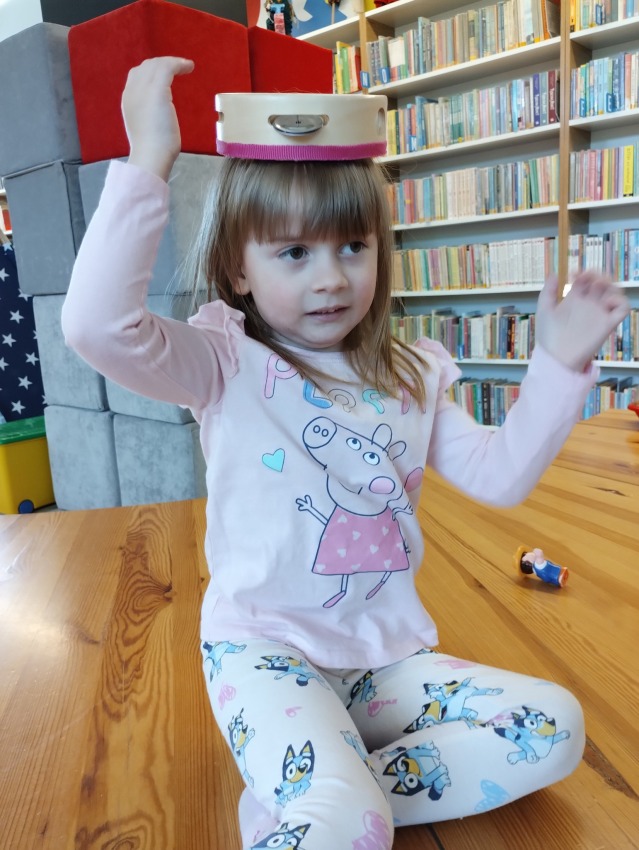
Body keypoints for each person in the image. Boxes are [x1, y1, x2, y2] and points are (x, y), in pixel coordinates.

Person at [61, 57, 630, 849]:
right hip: (264, 655)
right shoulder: (221, 363)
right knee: (354, 828)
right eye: (293, 253)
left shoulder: (411, 374)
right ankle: (328, 802)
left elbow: (498, 477)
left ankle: (321, 799)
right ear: (237, 270)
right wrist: (147, 163)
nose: (330, 278)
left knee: (553, 727)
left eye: (352, 247)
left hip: (381, 665)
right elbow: (95, 327)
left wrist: (556, 364)